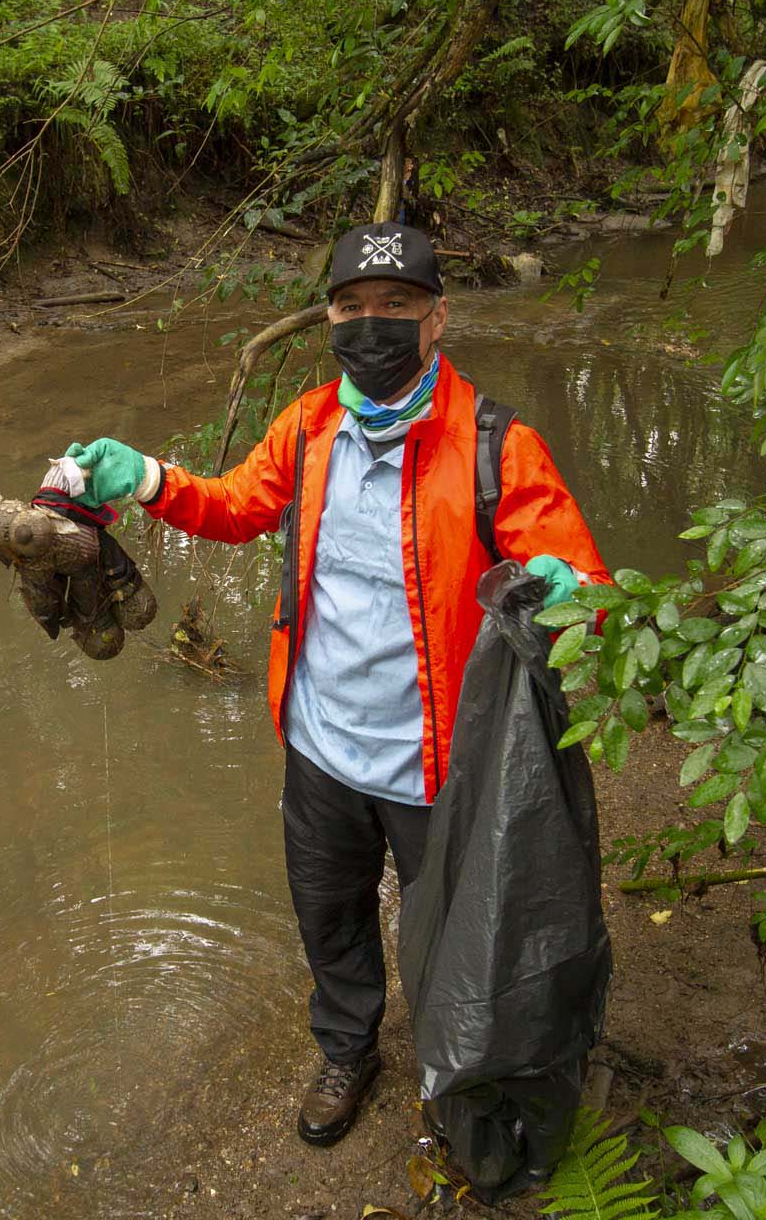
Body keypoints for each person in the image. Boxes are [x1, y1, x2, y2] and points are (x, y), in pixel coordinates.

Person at [62, 221, 609, 1148]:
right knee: (332, 922)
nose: (373, 326)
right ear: (329, 318)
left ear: (438, 317)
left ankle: (459, 1070)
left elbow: (586, 585)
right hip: (319, 746)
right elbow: (238, 507)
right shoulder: (310, 424)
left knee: (457, 935)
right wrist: (147, 477)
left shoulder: (495, 445)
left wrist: (569, 593)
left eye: (395, 308)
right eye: (353, 308)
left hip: (441, 766)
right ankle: (348, 1049)